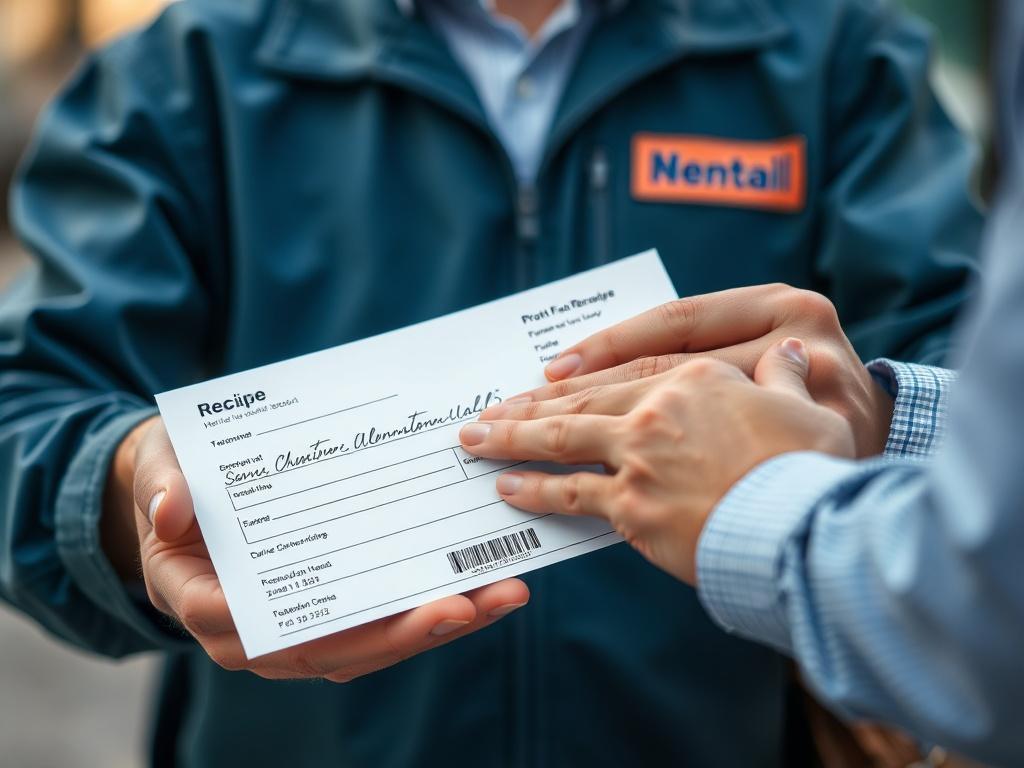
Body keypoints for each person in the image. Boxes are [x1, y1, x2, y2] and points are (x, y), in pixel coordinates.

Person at [0, 0, 983, 765]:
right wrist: (128, 491)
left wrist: (878, 409)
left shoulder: (833, 57)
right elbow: (27, 403)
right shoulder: (189, 71)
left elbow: (981, 389)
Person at [457, 3, 1024, 764]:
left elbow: (984, 402)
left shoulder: (837, 41)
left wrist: (876, 411)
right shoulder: (242, 46)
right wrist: (242, 562)